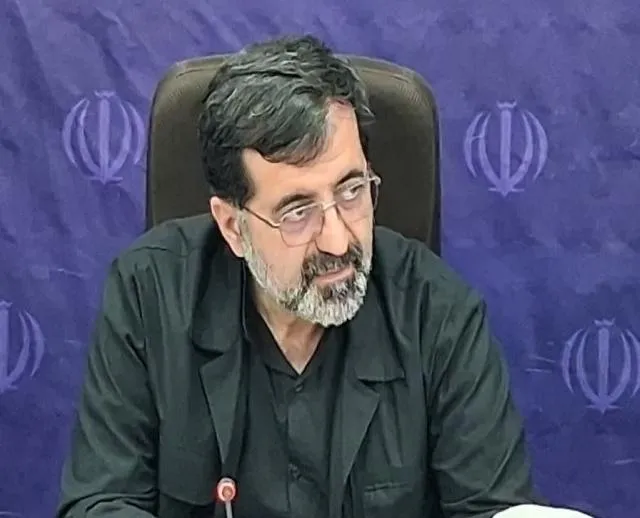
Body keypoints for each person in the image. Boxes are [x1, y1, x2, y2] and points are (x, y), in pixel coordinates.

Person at [57, 35, 593, 518]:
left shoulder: (440, 315)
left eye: (352, 191)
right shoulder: (149, 295)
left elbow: (489, 509)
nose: (338, 240)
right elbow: (101, 501)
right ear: (234, 227)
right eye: (298, 211)